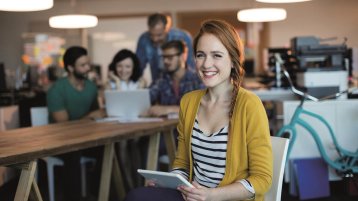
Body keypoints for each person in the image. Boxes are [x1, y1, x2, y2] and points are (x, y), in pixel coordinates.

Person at [125, 19, 273, 201]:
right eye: (201, 55)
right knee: (136, 196)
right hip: (193, 196)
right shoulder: (189, 101)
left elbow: (262, 179)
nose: (206, 64)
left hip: (226, 198)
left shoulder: (250, 105)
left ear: (233, 61)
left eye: (217, 55)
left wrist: (211, 195)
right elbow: (182, 163)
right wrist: (170, 181)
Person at [47, 46, 104, 201]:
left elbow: (98, 117)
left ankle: (98, 193)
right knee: (73, 152)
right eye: (83, 65)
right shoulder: (57, 89)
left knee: (109, 146)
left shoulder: (92, 87)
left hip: (85, 139)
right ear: (70, 68)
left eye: (88, 64)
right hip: (60, 142)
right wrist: (90, 116)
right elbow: (64, 125)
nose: (88, 68)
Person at [147, 40, 203, 118]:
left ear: (183, 56)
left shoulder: (198, 80)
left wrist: (169, 109)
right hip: (166, 128)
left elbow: (204, 109)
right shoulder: (161, 79)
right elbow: (147, 99)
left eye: (170, 57)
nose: (165, 61)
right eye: (163, 57)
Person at [136, 13, 195, 82]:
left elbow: (191, 65)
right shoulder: (144, 39)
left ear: (167, 28)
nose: (155, 39)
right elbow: (138, 67)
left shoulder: (182, 37)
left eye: (159, 35)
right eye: (151, 35)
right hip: (158, 83)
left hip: (183, 83)